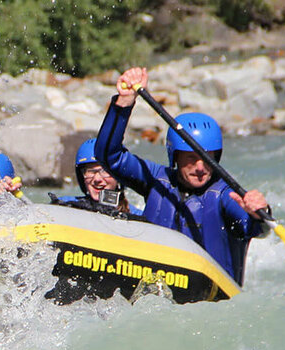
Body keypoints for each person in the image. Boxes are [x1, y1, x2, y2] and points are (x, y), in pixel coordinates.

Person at [94, 66, 270, 285]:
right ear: (174, 157)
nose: (200, 167)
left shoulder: (225, 196)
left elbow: (257, 228)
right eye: (190, 158)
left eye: (207, 158)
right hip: (156, 293)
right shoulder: (156, 180)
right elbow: (108, 156)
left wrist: (258, 213)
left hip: (211, 302)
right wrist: (124, 103)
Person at [49, 138, 132, 216]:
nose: (97, 179)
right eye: (90, 171)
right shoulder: (65, 204)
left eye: (104, 171)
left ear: (119, 177)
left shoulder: (136, 215)